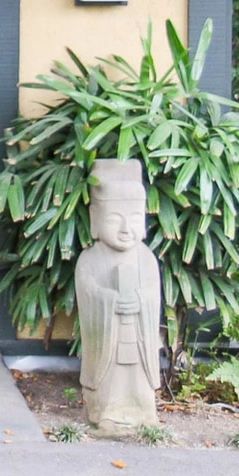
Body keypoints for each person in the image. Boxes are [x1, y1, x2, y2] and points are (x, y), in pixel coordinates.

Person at [74, 159, 163, 435]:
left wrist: (140, 301)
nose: (126, 229)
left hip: (137, 336)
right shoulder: (89, 259)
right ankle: (107, 412)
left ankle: (142, 412)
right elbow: (87, 291)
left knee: (136, 376)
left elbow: (152, 291)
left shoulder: (146, 258)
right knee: (110, 378)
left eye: (135, 219)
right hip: (107, 338)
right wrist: (108, 299)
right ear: (95, 219)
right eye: (115, 219)